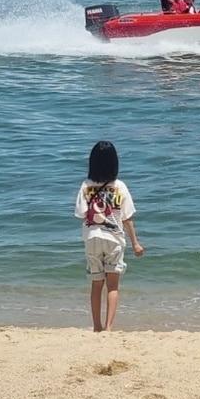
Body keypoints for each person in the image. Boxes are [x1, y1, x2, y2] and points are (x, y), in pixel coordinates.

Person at [74, 141, 145, 332]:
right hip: (114, 238)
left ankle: (96, 326)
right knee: (113, 286)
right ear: (115, 162)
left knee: (96, 284)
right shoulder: (120, 186)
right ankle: (108, 328)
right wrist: (136, 244)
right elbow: (127, 218)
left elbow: (81, 213)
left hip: (92, 238)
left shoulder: (86, 186)